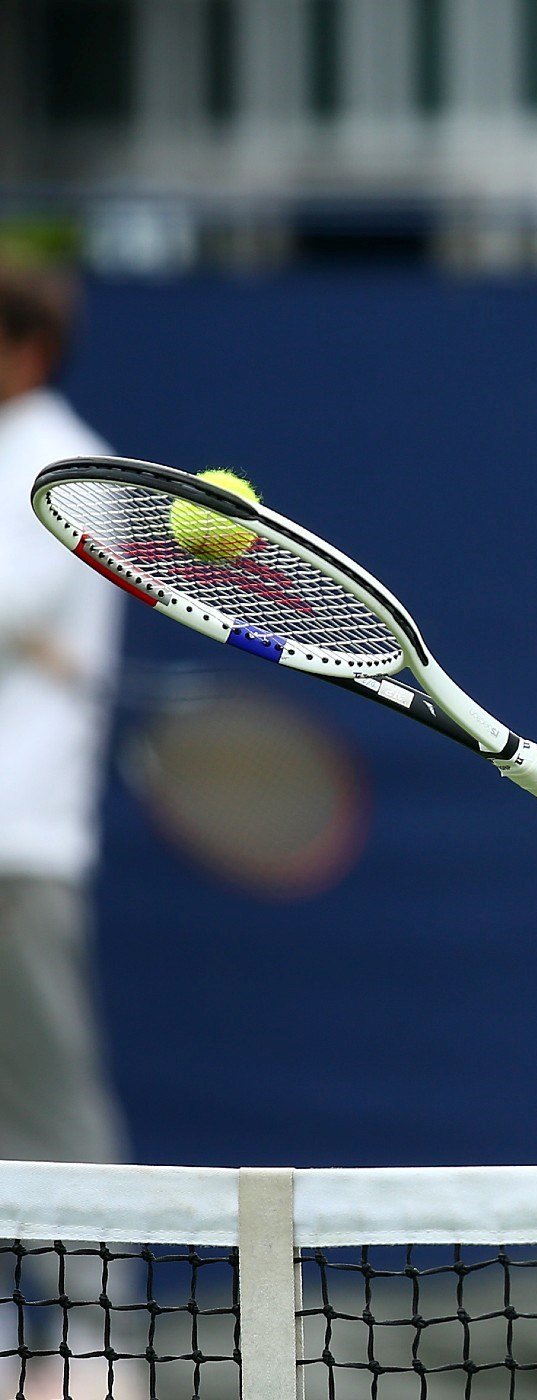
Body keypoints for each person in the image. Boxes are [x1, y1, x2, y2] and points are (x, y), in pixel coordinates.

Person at [0, 264, 131, 1400]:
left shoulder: (64, 467)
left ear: (27, 349)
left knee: (46, 1099)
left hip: (17, 844)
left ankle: (90, 1341)